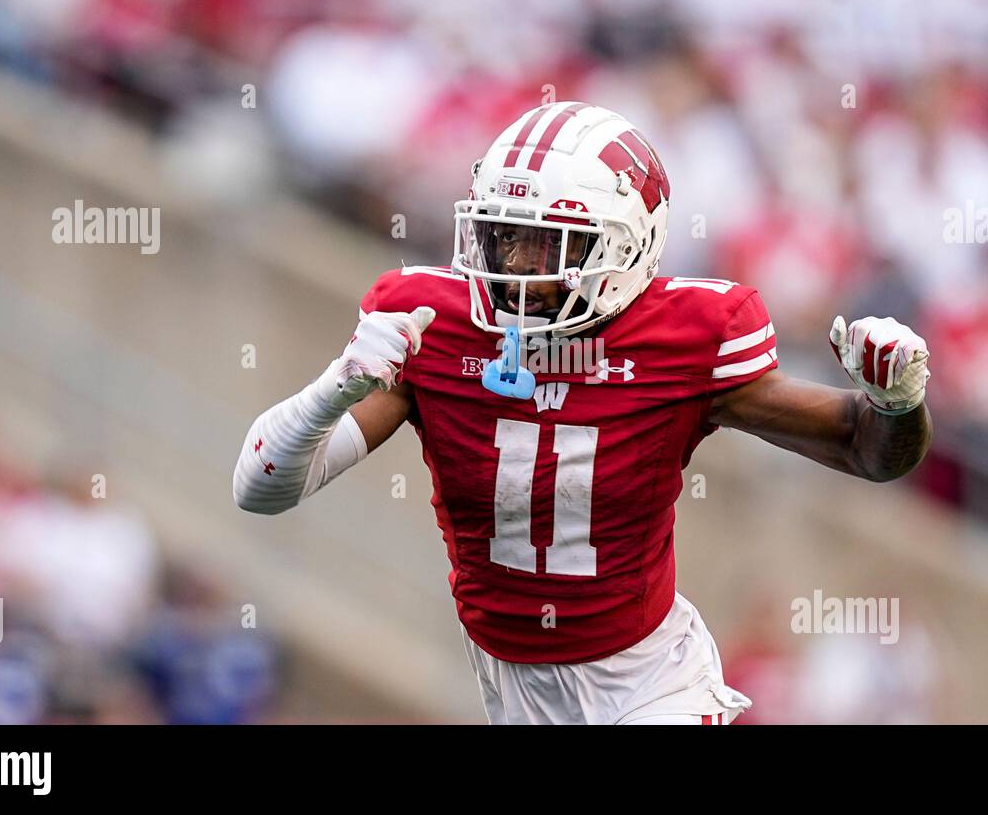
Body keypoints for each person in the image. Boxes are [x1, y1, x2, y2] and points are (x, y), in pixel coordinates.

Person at [233, 102, 933, 724]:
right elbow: (258, 491)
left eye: (547, 246)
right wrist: (335, 387)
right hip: (508, 683)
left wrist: (895, 402)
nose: (514, 266)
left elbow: (864, 448)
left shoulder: (683, 339)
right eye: (503, 235)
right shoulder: (431, 325)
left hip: (648, 684)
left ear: (625, 247)